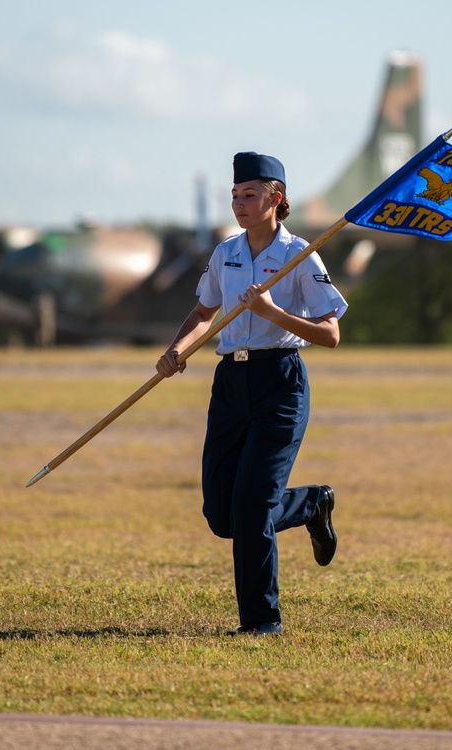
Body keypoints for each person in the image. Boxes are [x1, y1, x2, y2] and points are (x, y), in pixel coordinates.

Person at [156, 151, 348, 637]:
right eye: (235, 195)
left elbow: (330, 334)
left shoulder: (300, 255)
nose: (239, 203)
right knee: (223, 515)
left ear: (275, 198)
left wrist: (271, 312)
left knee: (253, 507)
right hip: (229, 384)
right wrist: (177, 350)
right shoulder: (226, 253)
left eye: (250, 194)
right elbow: (204, 314)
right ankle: (310, 504)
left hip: (279, 382)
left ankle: (263, 623)